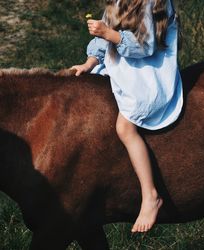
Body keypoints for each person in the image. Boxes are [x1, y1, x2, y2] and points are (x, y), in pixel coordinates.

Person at [71, 0, 183, 233]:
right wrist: (89, 62)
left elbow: (146, 47)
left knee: (124, 127)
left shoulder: (155, 3)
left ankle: (150, 194)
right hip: (124, 63)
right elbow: (103, 40)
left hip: (149, 69)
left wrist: (109, 33)